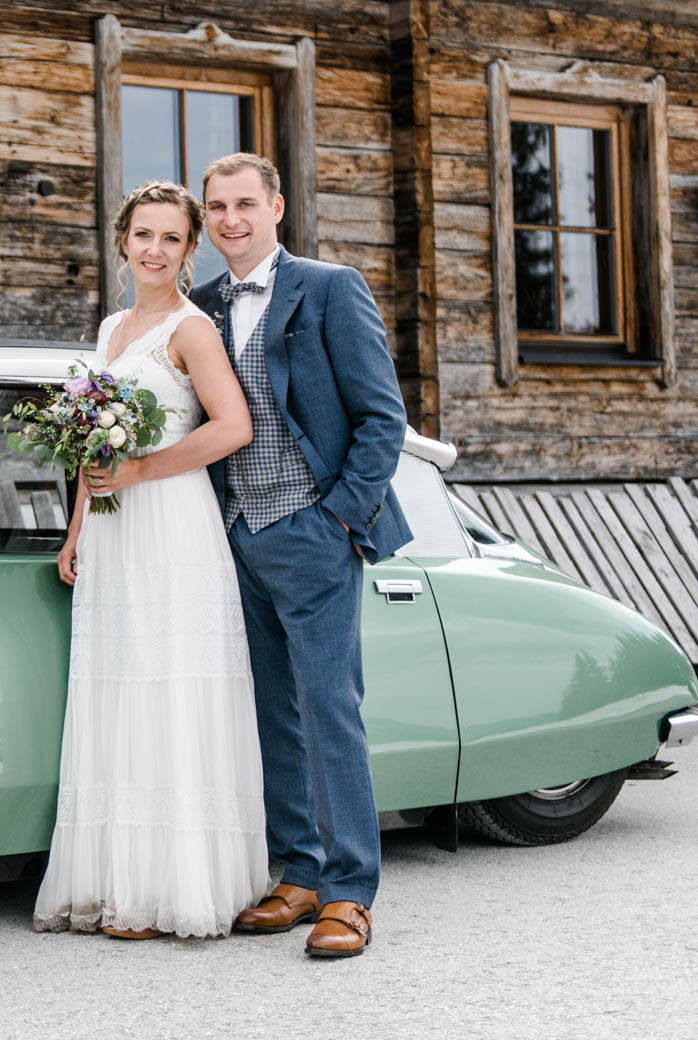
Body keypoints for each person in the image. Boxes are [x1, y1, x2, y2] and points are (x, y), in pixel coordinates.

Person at [190, 152, 412, 960]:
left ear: (277, 206)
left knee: (329, 711)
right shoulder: (202, 304)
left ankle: (352, 894)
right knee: (269, 712)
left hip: (311, 529)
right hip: (234, 533)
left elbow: (382, 418)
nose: (230, 221)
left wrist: (337, 519)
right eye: (216, 208)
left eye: (245, 204)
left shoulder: (329, 287)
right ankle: (300, 871)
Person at [32, 181, 268, 939]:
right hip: (112, 528)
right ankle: (115, 881)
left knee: (168, 689)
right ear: (122, 240)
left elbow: (233, 427)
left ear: (190, 249)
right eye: (143, 235)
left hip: (171, 522)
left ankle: (172, 889)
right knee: (120, 687)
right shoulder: (110, 328)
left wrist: (139, 471)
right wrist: (77, 529)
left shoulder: (194, 329)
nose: (155, 250)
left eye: (171, 238)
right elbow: (90, 447)